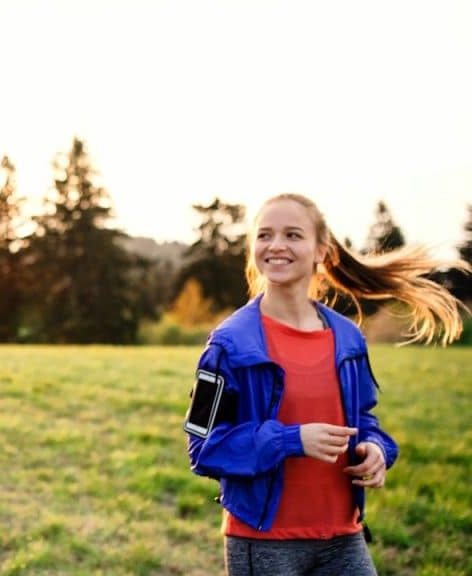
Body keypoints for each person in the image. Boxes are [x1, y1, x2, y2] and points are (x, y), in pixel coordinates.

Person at [185, 193, 469, 575]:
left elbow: (363, 420)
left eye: (293, 235)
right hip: (264, 543)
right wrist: (291, 440)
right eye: (265, 235)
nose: (276, 245)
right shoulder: (228, 345)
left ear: (322, 251)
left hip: (343, 536)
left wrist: (377, 449)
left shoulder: (348, 338)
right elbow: (203, 447)